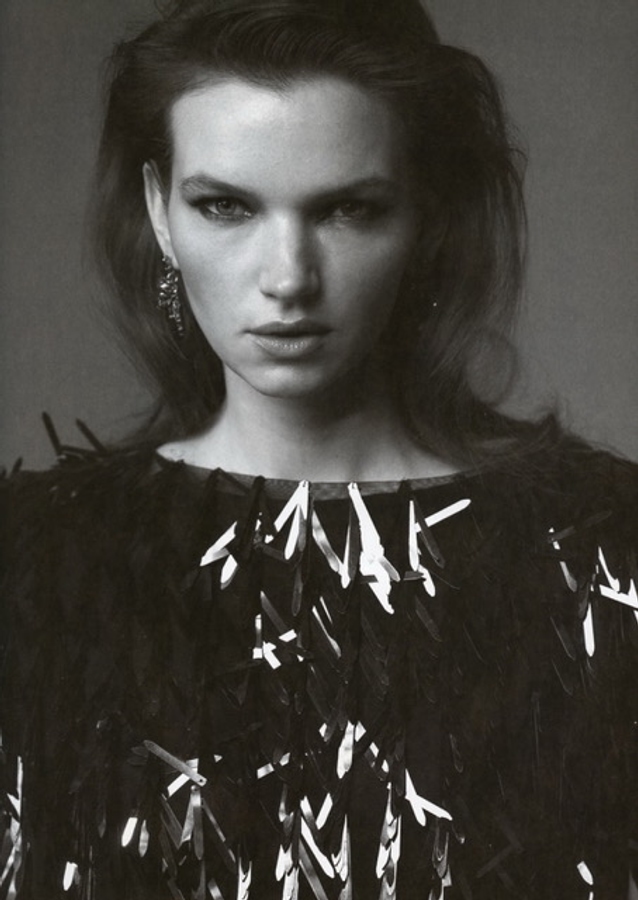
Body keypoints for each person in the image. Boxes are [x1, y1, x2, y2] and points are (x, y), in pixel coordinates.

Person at [1, 0, 636, 897]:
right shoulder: (33, 560)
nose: (287, 278)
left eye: (347, 210)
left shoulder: (602, 553)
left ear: (426, 215)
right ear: (158, 211)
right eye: (225, 206)